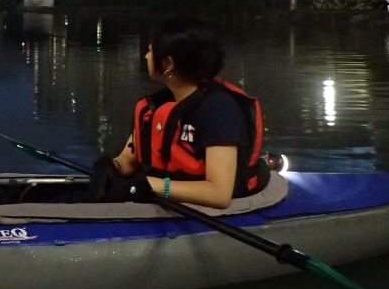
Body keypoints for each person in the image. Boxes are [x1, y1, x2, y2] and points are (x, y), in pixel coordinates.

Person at [91, 16, 267, 209]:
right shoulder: (155, 106)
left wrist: (152, 186)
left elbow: (219, 194)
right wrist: (111, 166)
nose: (146, 56)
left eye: (150, 51)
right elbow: (128, 159)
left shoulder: (220, 110)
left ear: (168, 63)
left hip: (209, 211)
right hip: (153, 196)